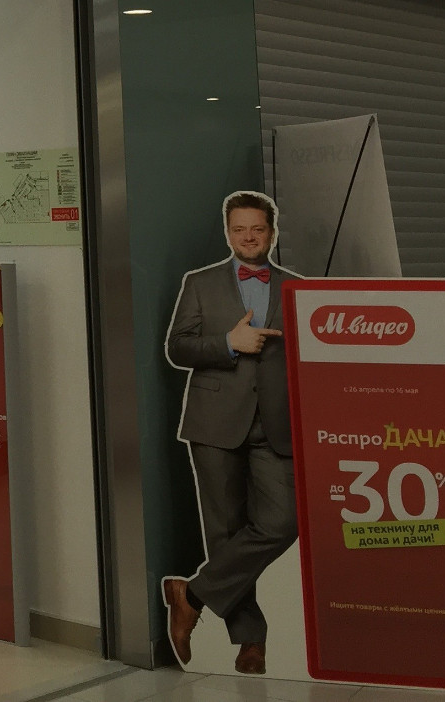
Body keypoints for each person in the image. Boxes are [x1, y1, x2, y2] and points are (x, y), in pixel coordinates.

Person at [161, 190, 300, 677]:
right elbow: (177, 347)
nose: (248, 237)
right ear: (227, 233)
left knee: (283, 522)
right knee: (224, 532)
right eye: (239, 229)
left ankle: (191, 594)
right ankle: (249, 640)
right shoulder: (199, 283)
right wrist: (228, 342)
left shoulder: (297, 289)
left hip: (277, 425)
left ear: (272, 233)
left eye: (257, 229)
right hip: (215, 421)